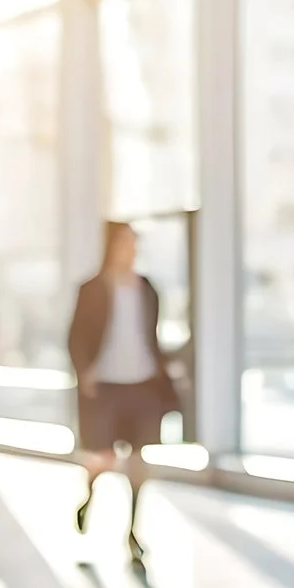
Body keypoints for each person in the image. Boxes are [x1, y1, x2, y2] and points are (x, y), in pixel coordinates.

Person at [66, 221, 179, 568]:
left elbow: (152, 336)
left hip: (143, 385)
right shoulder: (93, 288)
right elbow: (76, 336)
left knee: (138, 463)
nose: (130, 249)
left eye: (134, 243)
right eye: (124, 242)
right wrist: (85, 371)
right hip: (106, 386)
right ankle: (89, 496)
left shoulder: (147, 289)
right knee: (103, 458)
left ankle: (132, 532)